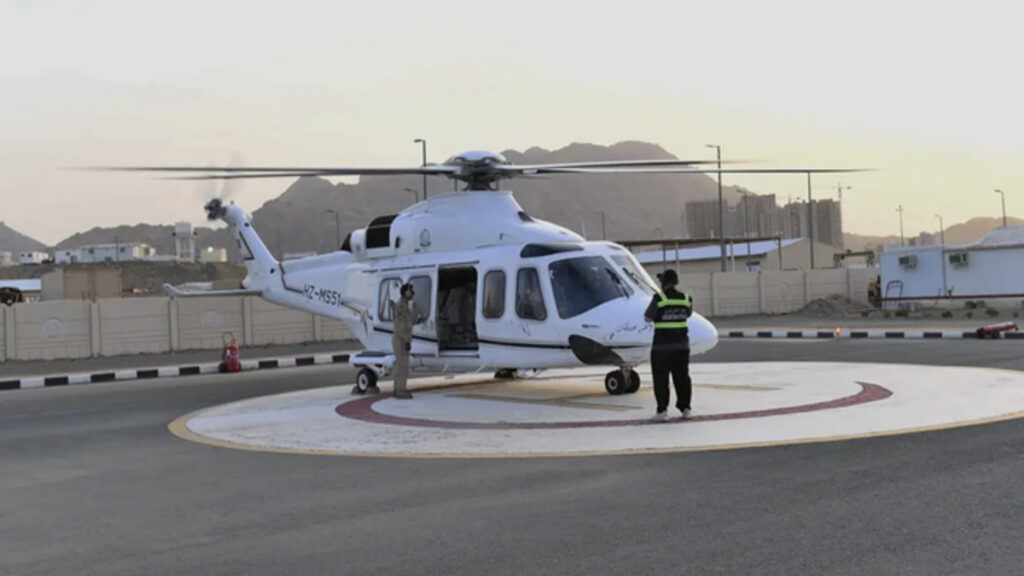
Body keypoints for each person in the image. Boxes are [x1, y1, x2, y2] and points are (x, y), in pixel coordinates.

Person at [643, 269, 693, 421]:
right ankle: (686, 409)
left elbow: (647, 318)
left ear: (663, 283)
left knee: (661, 379)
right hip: (682, 346)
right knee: (682, 378)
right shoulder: (686, 299)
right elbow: (688, 314)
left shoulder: (659, 298)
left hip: (662, 347)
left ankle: (662, 411)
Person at [392, 283, 416, 399]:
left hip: (401, 339)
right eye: (411, 292)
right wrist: (406, 340)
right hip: (401, 340)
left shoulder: (405, 306)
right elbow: (400, 326)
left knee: (400, 364)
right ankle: (401, 390)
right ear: (406, 293)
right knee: (402, 366)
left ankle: (397, 388)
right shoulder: (401, 307)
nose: (412, 294)